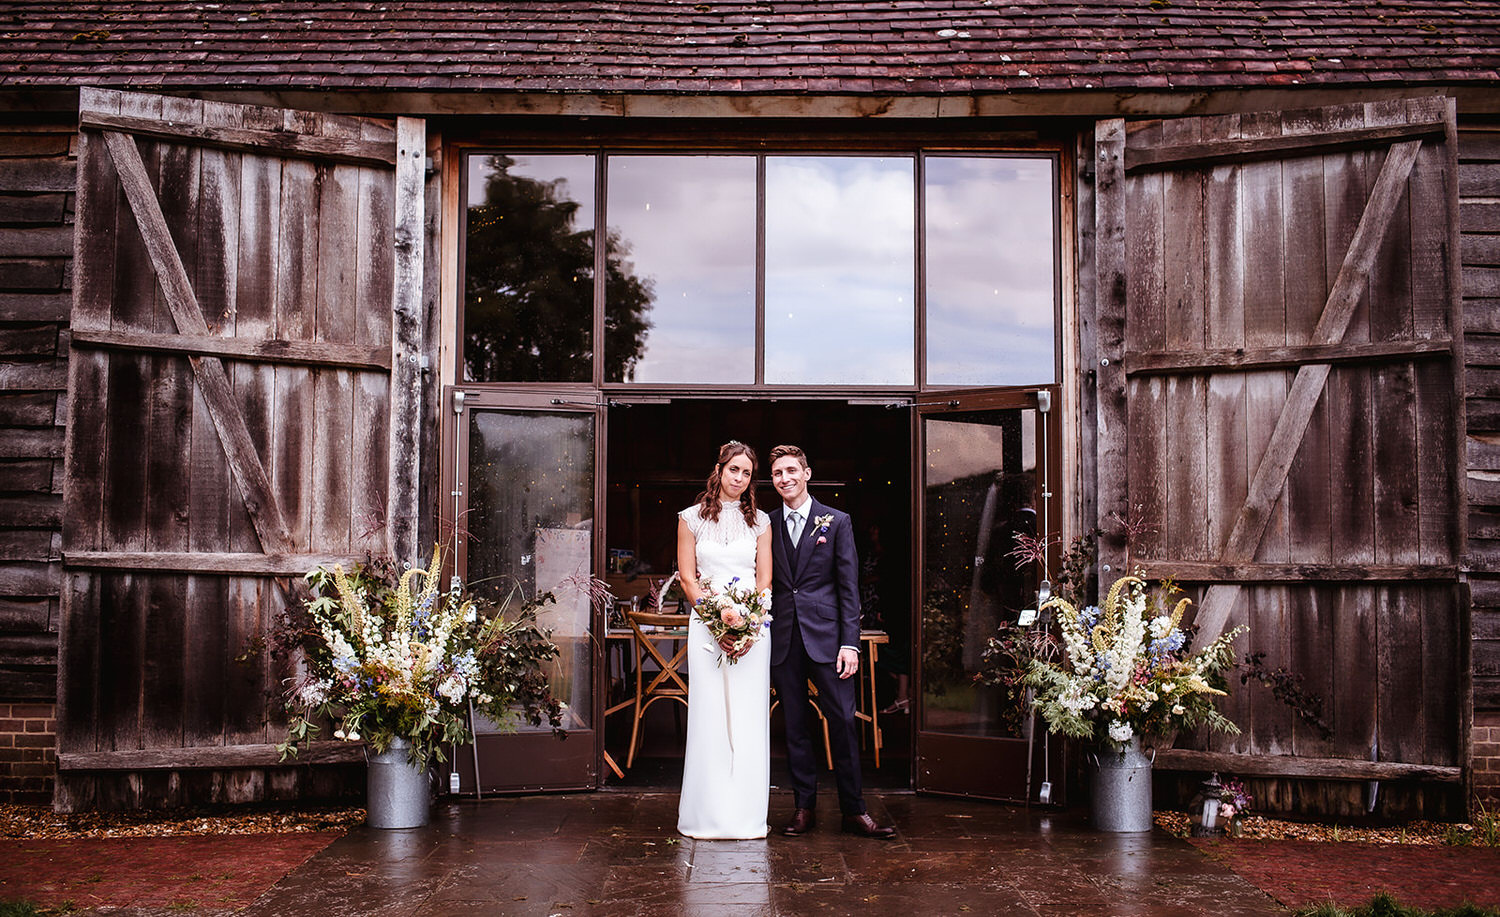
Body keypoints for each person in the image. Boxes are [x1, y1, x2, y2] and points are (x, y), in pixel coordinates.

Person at [767, 445, 896, 840]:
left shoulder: (837, 521)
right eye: (776, 473)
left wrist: (850, 643)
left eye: (791, 470)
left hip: (829, 641)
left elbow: (848, 586)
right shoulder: (765, 524)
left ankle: (854, 810)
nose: (784, 478)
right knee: (795, 728)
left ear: (807, 473)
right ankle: (803, 807)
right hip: (784, 640)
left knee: (841, 722)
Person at [675, 440, 773, 839]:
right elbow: (687, 577)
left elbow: (765, 579)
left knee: (750, 719)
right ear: (719, 470)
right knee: (709, 716)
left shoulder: (761, 522)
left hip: (754, 630)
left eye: (747, 472)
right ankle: (707, 815)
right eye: (734, 469)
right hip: (706, 629)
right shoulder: (690, 518)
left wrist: (749, 625)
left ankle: (746, 817)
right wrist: (717, 623)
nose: (740, 477)